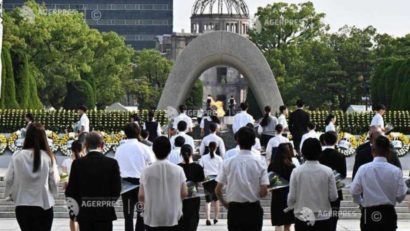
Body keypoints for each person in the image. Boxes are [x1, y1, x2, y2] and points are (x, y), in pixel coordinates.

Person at [5, 122, 60, 231]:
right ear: (43, 137)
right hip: (44, 204)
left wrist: (10, 195)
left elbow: (9, 179)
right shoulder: (48, 156)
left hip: (22, 204)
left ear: (27, 136)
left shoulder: (17, 156)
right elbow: (54, 180)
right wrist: (54, 193)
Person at [215, 127, 269, 231]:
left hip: (235, 210)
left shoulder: (227, 163)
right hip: (254, 210)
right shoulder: (260, 163)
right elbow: (263, 192)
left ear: (237, 140)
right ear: (254, 142)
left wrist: (226, 204)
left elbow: (217, 190)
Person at [65, 132, 121, 231]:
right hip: (105, 214)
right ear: (102, 145)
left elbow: (72, 190)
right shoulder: (112, 163)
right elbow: (116, 190)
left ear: (85, 146)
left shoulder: (77, 164)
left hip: (84, 213)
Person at [351, 136, 408, 231]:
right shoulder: (395, 171)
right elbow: (401, 195)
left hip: (368, 212)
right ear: (389, 152)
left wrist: (361, 202)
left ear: (373, 151)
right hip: (388, 213)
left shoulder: (363, 169)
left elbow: (354, 191)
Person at [287, 138, 338, 230]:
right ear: (320, 152)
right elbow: (333, 196)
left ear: (303, 152)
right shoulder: (327, 171)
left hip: (302, 217)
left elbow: (291, 197)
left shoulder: (296, 171)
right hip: (323, 218)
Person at [138, 137, 188, 230]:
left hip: (152, 216)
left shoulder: (146, 171)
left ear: (153, 150)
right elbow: (184, 193)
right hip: (173, 216)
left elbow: (141, 195)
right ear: (169, 150)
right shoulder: (178, 170)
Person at [115, 123, 153, 231]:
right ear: (138, 132)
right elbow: (152, 164)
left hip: (126, 185)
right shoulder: (144, 148)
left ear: (126, 134)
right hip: (141, 185)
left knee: (128, 214)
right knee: (141, 213)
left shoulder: (120, 149)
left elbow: (116, 166)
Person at [319, 132, 347, 231]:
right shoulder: (340, 156)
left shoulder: (318, 155)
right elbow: (343, 175)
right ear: (336, 141)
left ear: (324, 141)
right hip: (336, 190)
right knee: (333, 219)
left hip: (320, 191)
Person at [269, 143, 296, 231]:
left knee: (278, 224)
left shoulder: (272, 166)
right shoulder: (292, 166)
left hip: (277, 197)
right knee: (288, 225)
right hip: (288, 197)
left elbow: (271, 184)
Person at [178, 145, 206, 231]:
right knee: (192, 220)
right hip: (193, 197)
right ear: (192, 153)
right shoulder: (198, 167)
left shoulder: (177, 168)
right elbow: (200, 184)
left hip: (179, 198)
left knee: (180, 222)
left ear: (181, 154)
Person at [61, 140, 84, 231]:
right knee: (82, 217)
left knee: (73, 217)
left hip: (71, 192)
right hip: (82, 192)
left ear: (71, 149)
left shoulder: (65, 162)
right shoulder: (84, 161)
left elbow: (65, 181)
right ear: (82, 149)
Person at [199, 142, 223, 226]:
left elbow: (200, 168)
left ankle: (208, 218)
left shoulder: (203, 158)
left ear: (208, 148)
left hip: (207, 178)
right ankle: (216, 218)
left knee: (208, 200)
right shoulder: (219, 158)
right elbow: (221, 170)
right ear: (216, 148)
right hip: (216, 178)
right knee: (216, 200)